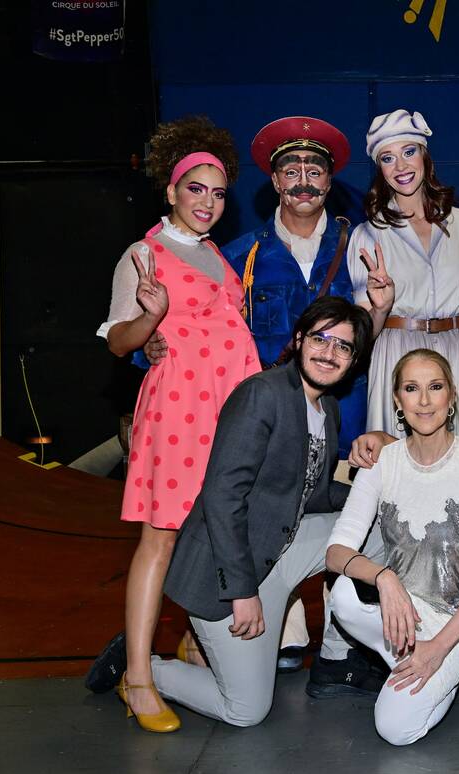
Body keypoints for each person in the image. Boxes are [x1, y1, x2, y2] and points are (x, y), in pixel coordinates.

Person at [141, 116, 395, 673]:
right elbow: (183, 314)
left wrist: (377, 310)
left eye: (315, 170)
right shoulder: (237, 254)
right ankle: (276, 624)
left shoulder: (361, 245)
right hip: (266, 413)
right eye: (290, 170)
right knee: (269, 505)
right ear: (275, 183)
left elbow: (369, 332)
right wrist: (154, 343)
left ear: (330, 181)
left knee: (353, 511)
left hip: (342, 409)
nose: (303, 180)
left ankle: (342, 644)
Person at [138, 297, 385, 727]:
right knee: (246, 711)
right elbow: (222, 496)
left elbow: (318, 494)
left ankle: (339, 652)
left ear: (353, 360)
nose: (329, 353)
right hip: (231, 572)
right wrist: (241, 592)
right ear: (299, 340)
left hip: (280, 550)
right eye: (321, 339)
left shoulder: (325, 407)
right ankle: (143, 673)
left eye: (343, 347)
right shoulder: (261, 394)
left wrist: (378, 489)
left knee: (385, 528)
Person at [87, 116, 260, 732]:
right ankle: (137, 678)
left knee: (206, 535)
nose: (208, 202)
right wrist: (149, 321)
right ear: (171, 191)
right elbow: (118, 342)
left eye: (217, 192)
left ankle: (188, 646)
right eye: (196, 189)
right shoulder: (144, 253)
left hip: (225, 415)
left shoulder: (216, 255)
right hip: (177, 412)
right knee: (160, 540)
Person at [324, 349, 459, 745]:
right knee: (343, 594)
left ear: (451, 396)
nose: (424, 401)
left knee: (396, 729)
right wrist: (384, 577)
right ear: (398, 401)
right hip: (405, 610)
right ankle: (408, 660)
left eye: (435, 387)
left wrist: (439, 650)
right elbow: (336, 552)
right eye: (412, 389)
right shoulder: (383, 463)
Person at [347, 109, 459, 440]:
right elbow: (365, 333)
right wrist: (380, 306)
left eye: (409, 152)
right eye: (388, 158)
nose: (402, 166)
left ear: (425, 155)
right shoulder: (368, 234)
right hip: (397, 351)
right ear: (380, 169)